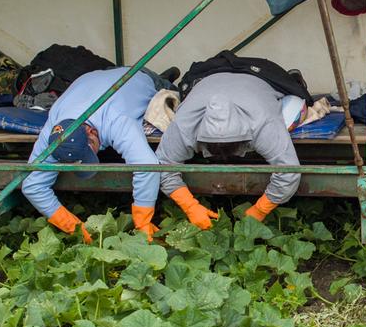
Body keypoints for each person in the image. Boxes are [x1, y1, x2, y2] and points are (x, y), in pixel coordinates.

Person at [22, 67, 161, 242]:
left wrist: (142, 222)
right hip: (90, 79)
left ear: (92, 132)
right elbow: (32, 186)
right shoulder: (54, 132)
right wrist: (76, 228)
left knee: (169, 89)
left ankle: (166, 77)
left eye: (88, 152)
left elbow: (148, 166)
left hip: (138, 76)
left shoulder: (116, 118)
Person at [153, 71, 300, 230]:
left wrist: (260, 210)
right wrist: (190, 207)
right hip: (206, 78)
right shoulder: (185, 125)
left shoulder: (263, 124)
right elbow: (163, 166)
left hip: (259, 78)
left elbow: (289, 171)